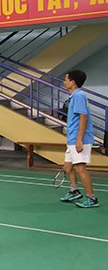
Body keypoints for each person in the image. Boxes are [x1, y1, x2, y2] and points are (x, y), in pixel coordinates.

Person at [59, 70, 99, 208]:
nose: (64, 82)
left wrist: (79, 140)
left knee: (80, 168)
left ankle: (92, 198)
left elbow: (84, 117)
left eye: (66, 80)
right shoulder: (74, 96)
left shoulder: (79, 96)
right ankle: (74, 191)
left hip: (79, 139)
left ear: (73, 82)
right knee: (67, 167)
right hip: (72, 138)